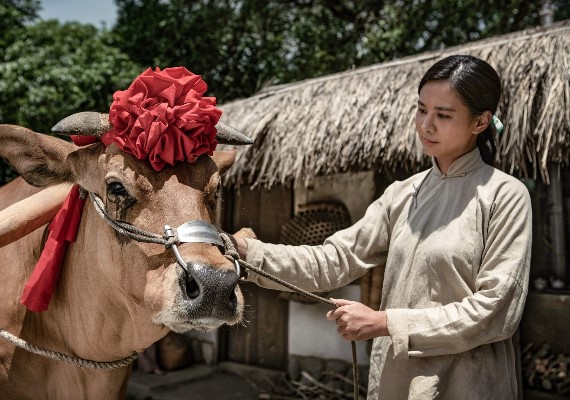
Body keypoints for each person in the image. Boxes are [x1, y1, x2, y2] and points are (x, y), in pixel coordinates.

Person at [230, 54, 532, 400]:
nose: (426, 125)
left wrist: (385, 323)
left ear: (481, 122)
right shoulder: (403, 195)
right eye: (421, 110)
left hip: (468, 384)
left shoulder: (505, 196)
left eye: (443, 115)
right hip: (397, 382)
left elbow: (495, 312)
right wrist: (246, 253)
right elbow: (335, 259)